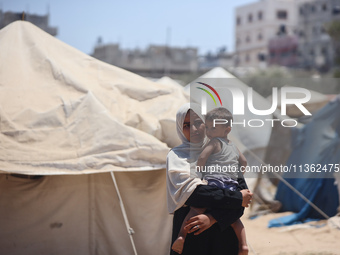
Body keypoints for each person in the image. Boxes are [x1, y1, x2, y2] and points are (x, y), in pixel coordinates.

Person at [166, 103, 253, 255]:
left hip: (224, 233)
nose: (194, 129)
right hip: (192, 235)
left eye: (198, 122)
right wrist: (236, 198)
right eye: (187, 125)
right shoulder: (176, 157)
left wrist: (212, 218)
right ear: (180, 127)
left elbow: (242, 200)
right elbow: (195, 194)